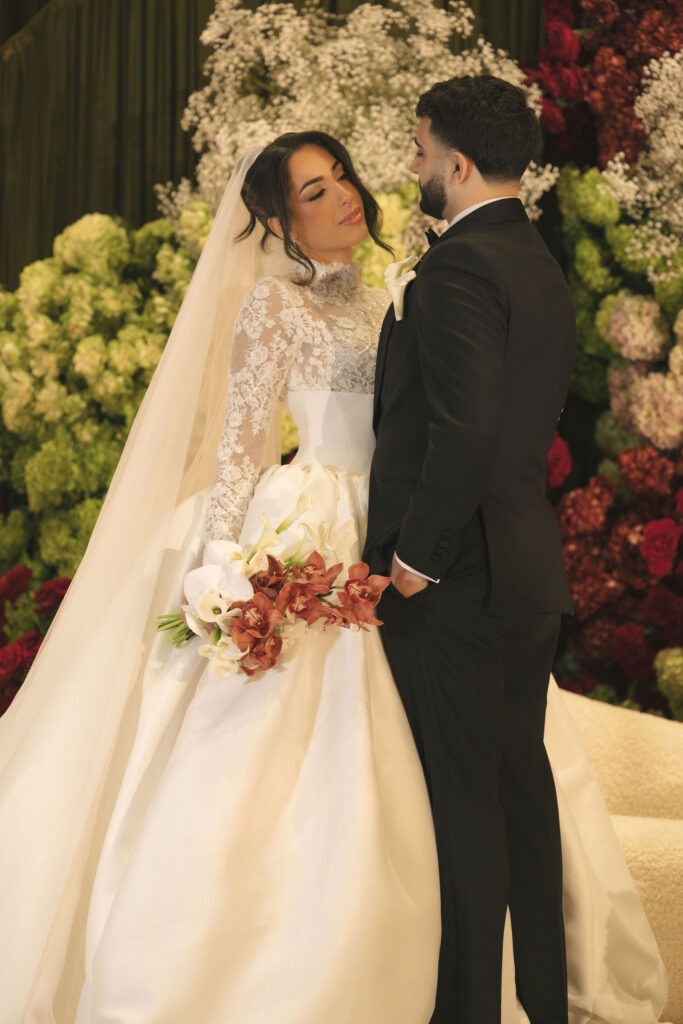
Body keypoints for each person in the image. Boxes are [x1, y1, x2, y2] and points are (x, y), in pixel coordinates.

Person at [0, 128, 667, 1024]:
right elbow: (238, 453)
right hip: (314, 525)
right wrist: (224, 574)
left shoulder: (402, 285)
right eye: (314, 192)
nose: (343, 195)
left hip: (411, 528)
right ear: (278, 221)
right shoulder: (273, 310)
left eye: (342, 175)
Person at [362, 73, 663, 1024]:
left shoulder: (455, 270)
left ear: (453, 163)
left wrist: (413, 560)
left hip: (460, 576)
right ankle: (538, 996)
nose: (411, 167)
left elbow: (464, 433)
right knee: (518, 790)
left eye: (416, 151)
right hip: (526, 569)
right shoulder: (532, 255)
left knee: (467, 805)